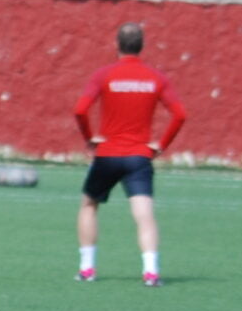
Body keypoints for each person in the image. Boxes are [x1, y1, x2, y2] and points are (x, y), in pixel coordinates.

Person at [74, 21, 187, 286]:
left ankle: (87, 268)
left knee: (89, 206)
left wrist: (89, 138)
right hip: (139, 157)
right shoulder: (156, 77)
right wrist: (161, 145)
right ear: (142, 46)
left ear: (117, 45)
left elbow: (80, 110)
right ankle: (151, 272)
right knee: (144, 214)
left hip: (108, 154)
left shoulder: (104, 75)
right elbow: (181, 114)